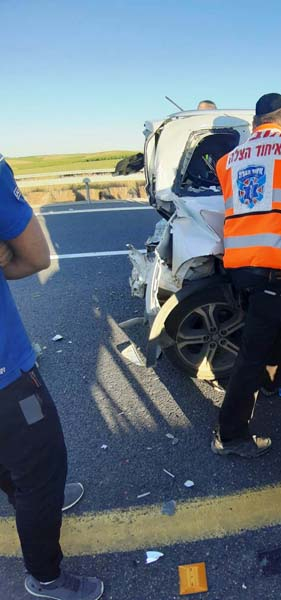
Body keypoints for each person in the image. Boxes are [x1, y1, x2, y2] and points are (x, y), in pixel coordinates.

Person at [0, 154, 104, 600]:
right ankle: (46, 576)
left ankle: (32, 498)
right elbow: (35, 257)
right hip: (5, 372)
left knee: (14, 457)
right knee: (43, 464)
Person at [211, 93, 281, 458]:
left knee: (264, 329)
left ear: (255, 124)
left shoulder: (228, 160)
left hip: (239, 264)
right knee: (252, 352)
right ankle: (230, 436)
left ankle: (273, 383)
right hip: (274, 265)